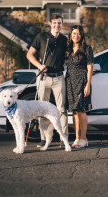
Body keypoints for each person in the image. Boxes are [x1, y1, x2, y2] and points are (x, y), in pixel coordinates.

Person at [26, 13, 68, 147]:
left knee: (61, 109)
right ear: (50, 24)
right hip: (44, 78)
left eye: (59, 23)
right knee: (42, 109)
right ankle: (44, 139)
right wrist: (39, 66)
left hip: (59, 78)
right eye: (55, 23)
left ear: (62, 24)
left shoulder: (64, 39)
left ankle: (64, 139)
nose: (57, 25)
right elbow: (29, 54)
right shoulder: (41, 37)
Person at [65, 25, 94, 148]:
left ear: (81, 36)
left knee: (81, 110)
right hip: (70, 82)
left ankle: (84, 138)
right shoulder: (67, 49)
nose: (76, 36)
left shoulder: (86, 48)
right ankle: (77, 138)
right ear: (70, 35)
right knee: (74, 111)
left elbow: (90, 66)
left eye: (78, 34)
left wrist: (88, 84)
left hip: (82, 81)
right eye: (74, 33)